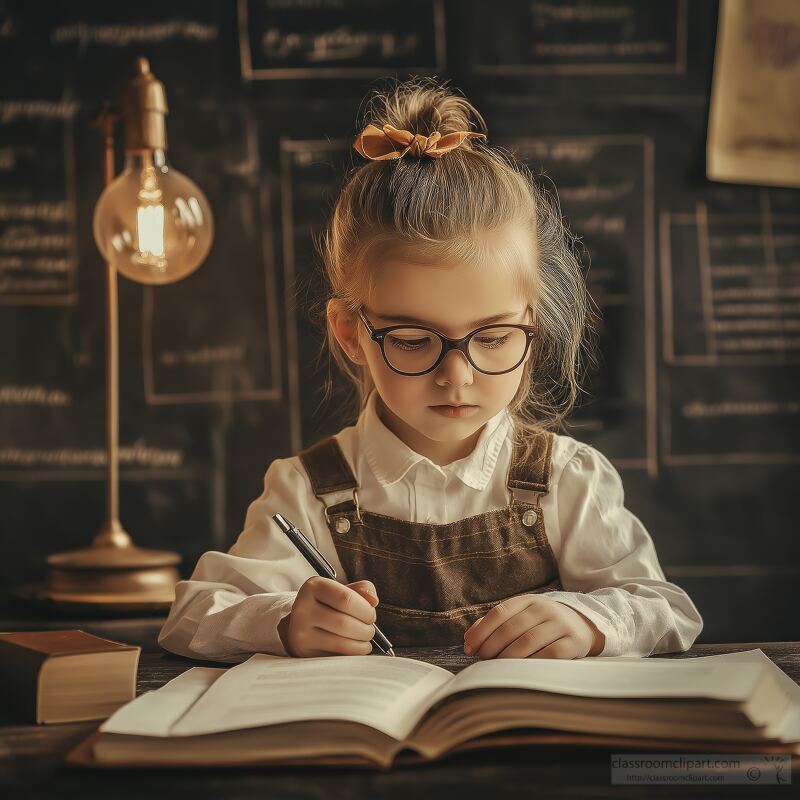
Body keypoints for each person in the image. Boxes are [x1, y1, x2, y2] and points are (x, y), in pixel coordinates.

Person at [158, 77, 702, 664]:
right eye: (414, 340)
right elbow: (190, 618)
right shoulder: (306, 492)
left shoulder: (569, 481)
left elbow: (666, 611)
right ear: (350, 332)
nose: (457, 377)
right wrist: (284, 622)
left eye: (493, 337)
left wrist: (590, 620)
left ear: (533, 323)